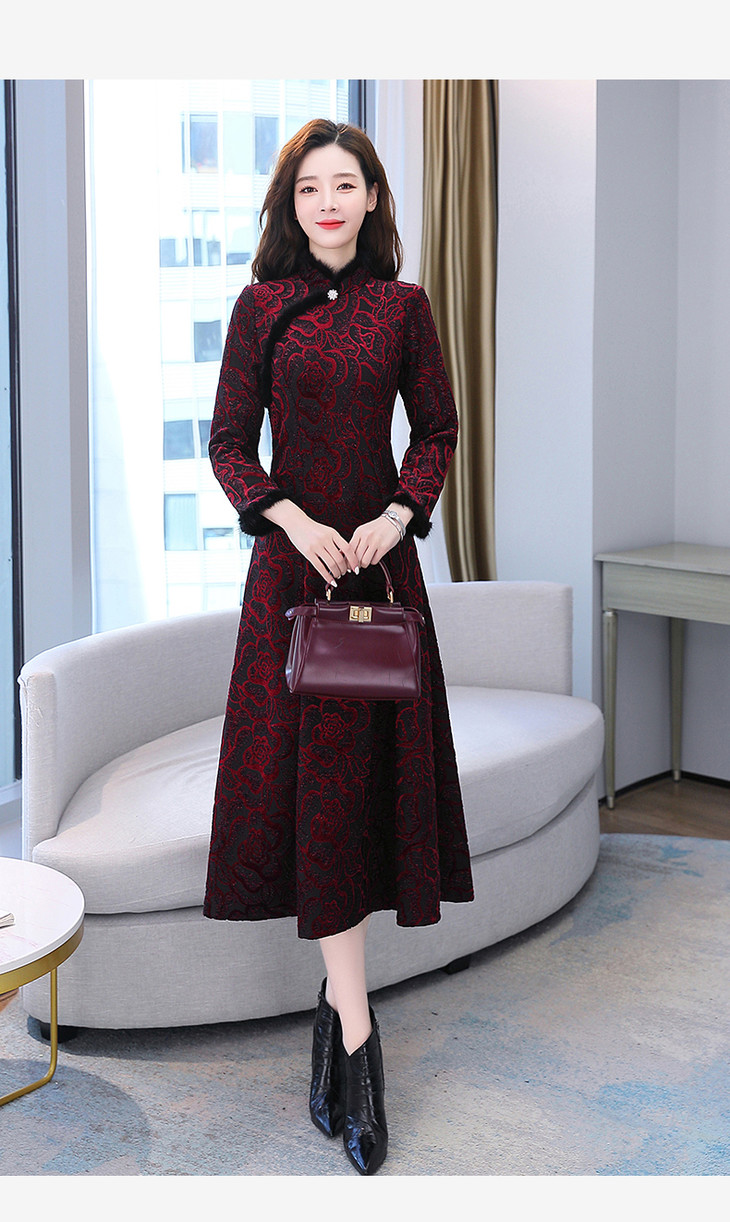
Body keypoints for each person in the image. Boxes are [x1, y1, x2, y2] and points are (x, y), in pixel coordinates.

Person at [203, 118, 474, 1176]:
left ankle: (338, 1019)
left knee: (362, 797)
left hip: (379, 578)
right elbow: (228, 442)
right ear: (291, 203)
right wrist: (286, 516)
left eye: (345, 184)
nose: (327, 201)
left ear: (371, 198)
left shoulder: (403, 308)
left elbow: (437, 429)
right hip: (291, 582)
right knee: (316, 797)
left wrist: (400, 517)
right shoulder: (258, 307)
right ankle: (358, 1040)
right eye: (310, 186)